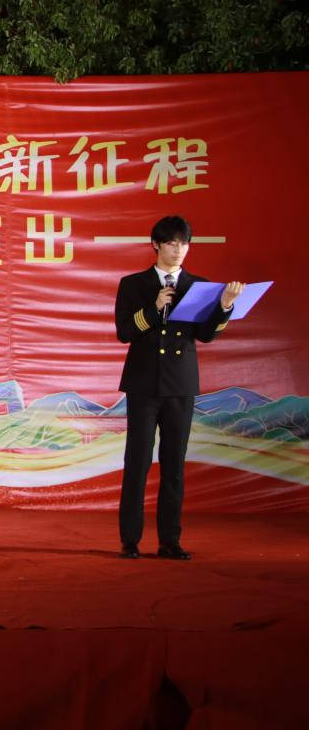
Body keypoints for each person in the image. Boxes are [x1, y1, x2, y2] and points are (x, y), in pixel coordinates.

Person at [115, 215, 245, 560]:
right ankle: (130, 540)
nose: (178, 249)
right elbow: (124, 332)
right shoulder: (133, 284)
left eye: (184, 243)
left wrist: (225, 306)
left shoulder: (198, 286)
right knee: (137, 462)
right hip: (143, 384)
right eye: (172, 243)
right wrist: (154, 308)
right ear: (156, 244)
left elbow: (205, 335)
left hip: (180, 385)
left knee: (174, 464)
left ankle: (169, 541)